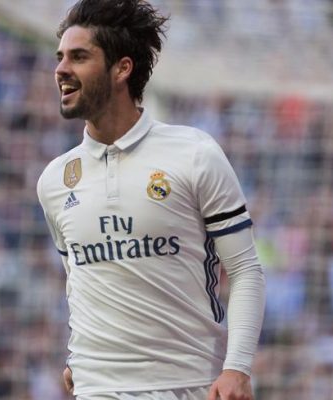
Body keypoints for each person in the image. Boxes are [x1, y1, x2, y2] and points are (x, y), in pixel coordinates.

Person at [35, 1, 266, 399]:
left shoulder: (193, 153)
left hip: (186, 385)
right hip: (97, 388)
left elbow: (245, 270)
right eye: (60, 58)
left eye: (79, 56)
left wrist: (237, 368)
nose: (61, 69)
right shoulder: (55, 180)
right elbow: (81, 279)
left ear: (122, 68)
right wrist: (79, 353)